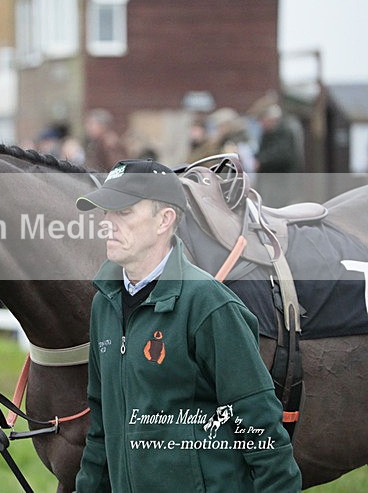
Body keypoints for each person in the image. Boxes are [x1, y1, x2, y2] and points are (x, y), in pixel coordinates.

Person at [73, 159, 301, 492]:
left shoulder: (209, 304)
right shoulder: (103, 304)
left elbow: (261, 428)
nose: (107, 224)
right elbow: (101, 430)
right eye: (105, 212)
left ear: (164, 220)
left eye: (123, 212)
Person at [255, 104, 303, 206]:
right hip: (272, 181)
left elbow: (283, 155)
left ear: (271, 119)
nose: (261, 124)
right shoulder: (269, 132)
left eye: (262, 120)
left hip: (281, 181)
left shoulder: (284, 131)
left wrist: (261, 162)